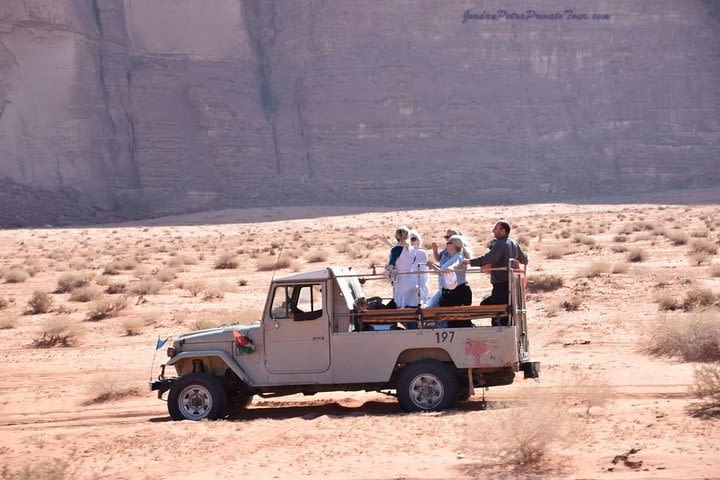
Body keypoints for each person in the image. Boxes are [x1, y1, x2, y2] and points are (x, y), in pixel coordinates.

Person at [463, 220, 528, 325]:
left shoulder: (500, 244)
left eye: (496, 228)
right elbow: (525, 260)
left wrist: (471, 261)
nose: (493, 230)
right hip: (512, 285)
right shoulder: (514, 243)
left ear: (502, 231)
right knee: (505, 310)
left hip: (501, 285)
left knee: (498, 313)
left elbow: (489, 258)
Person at [427, 228, 464, 307]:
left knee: (432, 308)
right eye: (446, 237)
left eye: (449, 238)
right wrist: (435, 250)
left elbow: (446, 270)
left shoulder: (458, 255)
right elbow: (439, 261)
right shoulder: (446, 251)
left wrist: (433, 266)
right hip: (444, 288)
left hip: (453, 290)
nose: (447, 240)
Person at [385, 226, 419, 308]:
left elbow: (392, 263)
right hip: (412, 281)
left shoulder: (396, 249)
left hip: (401, 282)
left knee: (401, 307)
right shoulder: (412, 249)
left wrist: (387, 271)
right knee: (413, 306)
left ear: (396, 237)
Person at [409, 230, 429, 306]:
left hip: (421, 284)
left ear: (418, 240)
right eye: (408, 239)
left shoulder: (422, 253)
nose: (411, 241)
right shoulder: (406, 253)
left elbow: (422, 269)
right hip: (409, 285)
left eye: (413, 239)